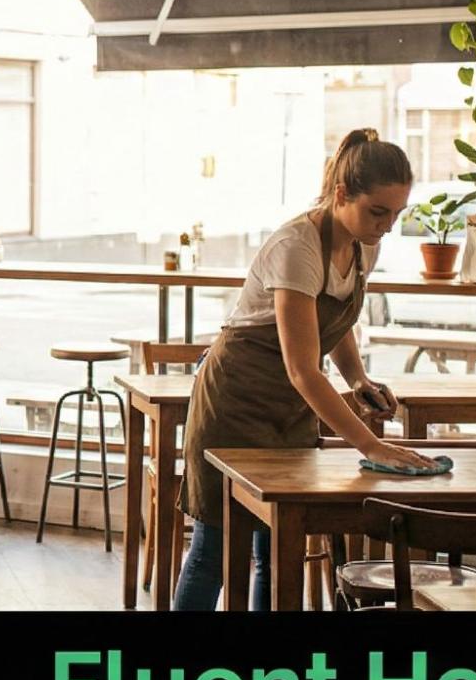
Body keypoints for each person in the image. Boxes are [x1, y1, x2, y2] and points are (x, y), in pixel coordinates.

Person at [172, 128, 438, 611]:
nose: (387, 225)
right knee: (214, 552)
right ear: (341, 195)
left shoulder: (364, 243)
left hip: (289, 413)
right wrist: (373, 447)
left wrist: (358, 378)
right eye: (378, 211)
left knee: (279, 551)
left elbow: (332, 323)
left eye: (397, 214)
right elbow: (303, 368)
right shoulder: (297, 247)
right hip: (234, 403)